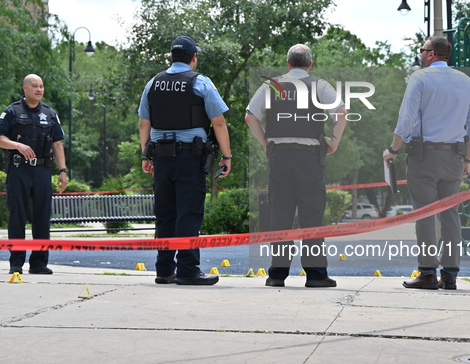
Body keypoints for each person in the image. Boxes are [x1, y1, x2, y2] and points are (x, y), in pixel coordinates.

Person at [383, 37, 470, 290]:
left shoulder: (420, 78)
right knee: (450, 215)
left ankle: (427, 272)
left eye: (422, 50)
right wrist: (468, 160)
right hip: (455, 157)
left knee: (425, 214)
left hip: (423, 157)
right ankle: (450, 276)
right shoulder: (466, 81)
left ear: (431, 54)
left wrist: (393, 150)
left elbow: (406, 119)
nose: (420, 54)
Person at [245, 44, 346, 288]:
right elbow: (341, 112)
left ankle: (277, 275)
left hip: (279, 157)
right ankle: (315, 275)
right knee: (312, 216)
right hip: (309, 158)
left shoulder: (272, 85)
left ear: (288, 63)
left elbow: (250, 116)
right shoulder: (319, 85)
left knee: (280, 216)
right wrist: (334, 142)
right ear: (310, 64)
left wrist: (265, 142)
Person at [139, 36, 232, 286]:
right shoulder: (200, 82)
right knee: (188, 214)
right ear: (194, 58)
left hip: (161, 156)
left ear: (171, 57)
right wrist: (227, 156)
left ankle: (164, 270)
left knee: (165, 214)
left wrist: (146, 155)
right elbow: (219, 121)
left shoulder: (153, 83)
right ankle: (188, 270)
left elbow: (144, 123)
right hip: (190, 157)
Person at [0, 74, 68, 275]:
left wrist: (63, 171)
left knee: (43, 217)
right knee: (18, 216)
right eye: (34, 86)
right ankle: (16, 263)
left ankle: (39, 263)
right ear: (25, 88)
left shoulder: (50, 114)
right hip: (19, 170)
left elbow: (58, 144)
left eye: (41, 86)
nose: (39, 89)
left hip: (43, 170)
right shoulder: (12, 111)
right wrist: (17, 145)